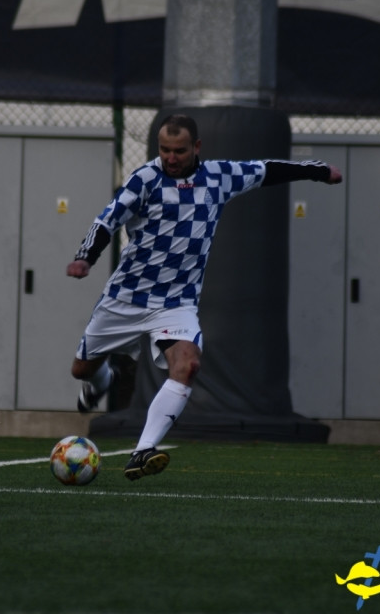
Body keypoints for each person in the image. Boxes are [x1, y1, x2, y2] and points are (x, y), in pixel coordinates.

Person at [66, 113, 342, 481]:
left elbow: (267, 170)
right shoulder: (144, 179)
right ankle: (101, 381)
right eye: (164, 149)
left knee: (189, 365)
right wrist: (86, 257)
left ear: (196, 147)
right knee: (80, 369)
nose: (171, 157)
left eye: (179, 150)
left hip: (176, 302)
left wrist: (318, 170)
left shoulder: (218, 177)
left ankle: (142, 451)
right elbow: (107, 221)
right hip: (127, 297)